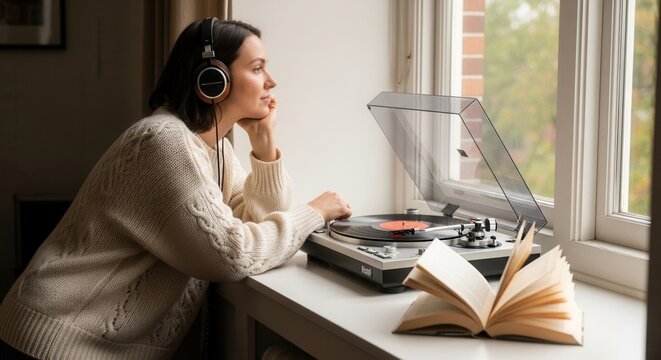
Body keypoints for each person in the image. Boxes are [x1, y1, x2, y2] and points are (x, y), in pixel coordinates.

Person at [0, 17, 351, 359]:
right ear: (214, 80)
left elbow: (255, 217)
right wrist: (314, 213)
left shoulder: (214, 150)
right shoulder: (164, 143)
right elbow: (232, 255)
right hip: (55, 343)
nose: (271, 81)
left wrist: (264, 143)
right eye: (257, 68)